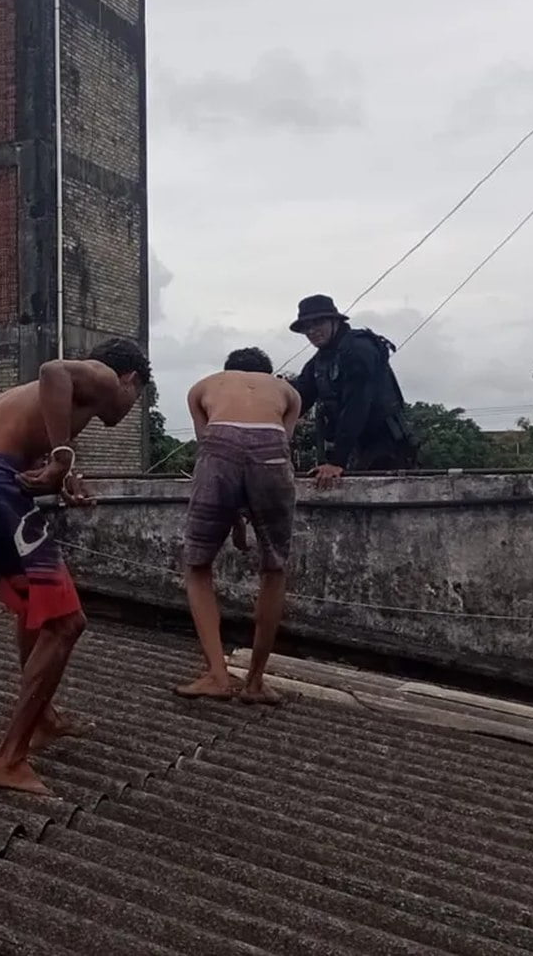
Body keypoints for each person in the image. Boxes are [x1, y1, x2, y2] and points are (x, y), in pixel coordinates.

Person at [0, 338, 151, 796]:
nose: (130, 410)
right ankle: (9, 760)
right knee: (68, 623)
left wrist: (60, 476)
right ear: (130, 380)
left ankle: (44, 718)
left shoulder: (46, 405)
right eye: (139, 398)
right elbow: (54, 369)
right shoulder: (104, 376)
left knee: (37, 605)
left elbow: (18, 463)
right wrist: (62, 456)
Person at [175, 347, 300, 704]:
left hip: (219, 446)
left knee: (198, 565)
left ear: (226, 371)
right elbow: (274, 448)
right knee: (274, 566)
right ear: (268, 373)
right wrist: (243, 517)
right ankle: (256, 681)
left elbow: (214, 451)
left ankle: (217, 674)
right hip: (272, 449)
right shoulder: (288, 393)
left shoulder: (203, 387)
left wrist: (234, 518)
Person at [288, 294, 416, 488]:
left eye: (318, 322)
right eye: (306, 327)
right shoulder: (319, 362)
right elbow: (298, 399)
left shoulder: (359, 349)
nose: (312, 331)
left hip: (384, 446)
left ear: (334, 321)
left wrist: (337, 462)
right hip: (354, 448)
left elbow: (357, 405)